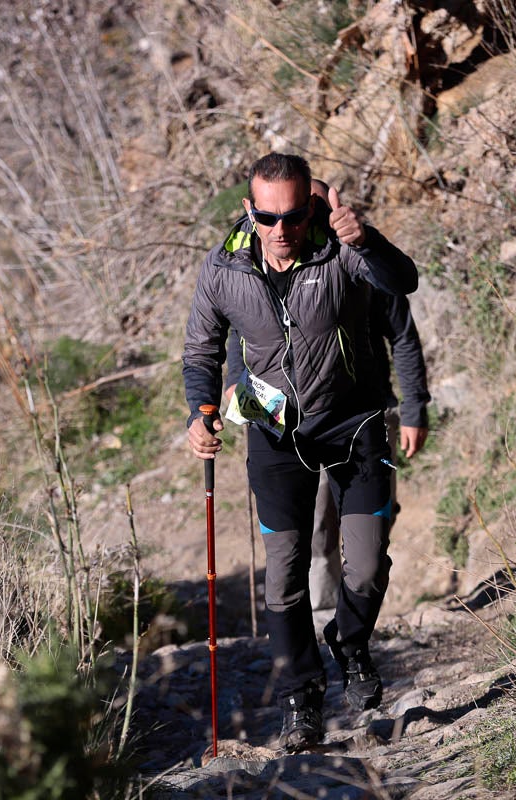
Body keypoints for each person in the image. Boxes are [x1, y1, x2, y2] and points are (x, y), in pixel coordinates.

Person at [183, 153, 419, 751]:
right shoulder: (223, 269)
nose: (280, 229)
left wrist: (366, 242)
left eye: (293, 215)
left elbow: (403, 284)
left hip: (354, 420)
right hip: (272, 431)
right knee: (283, 577)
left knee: (365, 563)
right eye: (267, 216)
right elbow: (201, 351)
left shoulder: (342, 251)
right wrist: (201, 412)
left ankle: (350, 642)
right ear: (249, 209)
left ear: (310, 207)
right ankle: (301, 699)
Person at [224, 179, 430, 621]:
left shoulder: (360, 260)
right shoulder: (261, 267)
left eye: (309, 209)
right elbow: (242, 337)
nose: (296, 223)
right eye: (296, 210)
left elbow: (404, 337)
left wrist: (413, 408)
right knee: (312, 524)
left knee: (371, 521)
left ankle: (354, 613)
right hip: (288, 420)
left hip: (363, 411)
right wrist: (237, 386)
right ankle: (319, 611)